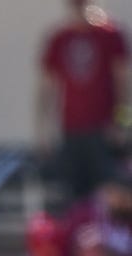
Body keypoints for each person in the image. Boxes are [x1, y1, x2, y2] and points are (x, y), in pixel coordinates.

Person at [38, 0, 130, 202]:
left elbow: (123, 84)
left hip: (103, 131)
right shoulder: (60, 38)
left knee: (108, 193)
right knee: (73, 195)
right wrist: (43, 130)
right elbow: (47, 88)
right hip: (71, 129)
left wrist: (122, 124)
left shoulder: (111, 35)